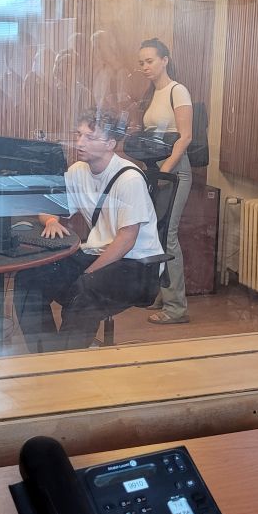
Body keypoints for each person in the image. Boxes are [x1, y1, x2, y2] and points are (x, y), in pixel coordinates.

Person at [13, 110, 164, 352]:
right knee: (29, 278)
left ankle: (66, 361)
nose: (80, 142)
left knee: (85, 290)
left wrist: (88, 273)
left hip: (136, 265)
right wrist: (51, 220)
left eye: (90, 137)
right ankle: (47, 354)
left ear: (110, 144)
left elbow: (127, 238)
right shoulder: (78, 171)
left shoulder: (129, 179)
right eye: (78, 135)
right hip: (97, 253)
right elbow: (49, 208)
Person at [136, 38, 193, 325]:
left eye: (150, 61)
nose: (145, 67)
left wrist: (165, 171)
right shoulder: (152, 94)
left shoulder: (177, 90)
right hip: (157, 172)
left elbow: (186, 137)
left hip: (174, 171)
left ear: (165, 60)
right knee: (156, 233)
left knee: (168, 235)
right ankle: (163, 293)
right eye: (142, 63)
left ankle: (176, 308)